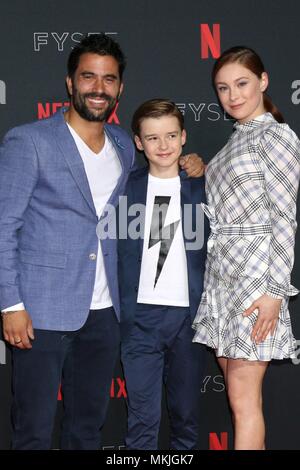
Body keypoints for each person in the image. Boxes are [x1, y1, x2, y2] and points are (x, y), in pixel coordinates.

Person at [0, 34, 204, 450]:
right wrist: (11, 304)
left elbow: (160, 178)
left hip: (106, 313)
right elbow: (5, 226)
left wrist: (191, 164)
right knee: (34, 431)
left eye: (108, 79)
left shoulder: (125, 149)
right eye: (88, 77)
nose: (98, 87)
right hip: (41, 313)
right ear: (70, 83)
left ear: (119, 88)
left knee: (87, 429)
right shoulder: (31, 141)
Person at [192, 46, 300, 450]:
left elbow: (284, 219)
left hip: (256, 280)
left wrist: (275, 292)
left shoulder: (277, 135)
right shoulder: (239, 138)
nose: (232, 95)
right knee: (239, 398)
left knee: (243, 400)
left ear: (263, 81)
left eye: (241, 84)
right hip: (223, 277)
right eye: (223, 88)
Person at [118, 99, 209, 450]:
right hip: (140, 318)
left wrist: (201, 167)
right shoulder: (124, 187)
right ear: (139, 142)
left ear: (184, 136)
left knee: (186, 416)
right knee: (142, 420)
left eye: (171, 135)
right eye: (153, 138)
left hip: (188, 319)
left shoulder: (203, 184)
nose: (164, 145)